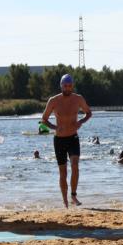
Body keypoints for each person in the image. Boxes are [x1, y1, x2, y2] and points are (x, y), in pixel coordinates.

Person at [40, 73, 92, 207]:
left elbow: (89, 113)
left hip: (73, 137)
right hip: (59, 140)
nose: (67, 88)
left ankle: (73, 195)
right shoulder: (53, 101)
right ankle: (65, 200)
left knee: (75, 165)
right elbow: (44, 119)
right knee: (63, 172)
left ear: (72, 86)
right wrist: (54, 127)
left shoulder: (78, 99)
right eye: (65, 86)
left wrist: (80, 122)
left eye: (69, 86)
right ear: (61, 86)